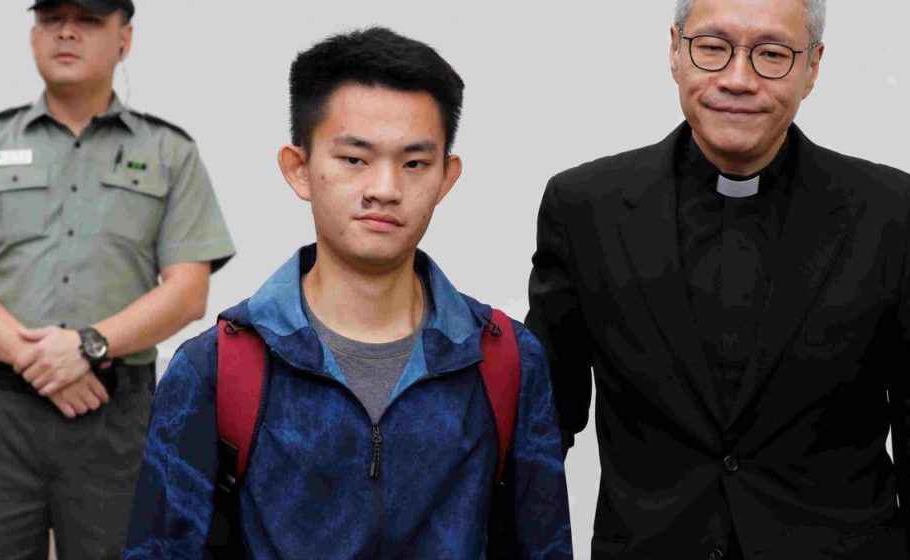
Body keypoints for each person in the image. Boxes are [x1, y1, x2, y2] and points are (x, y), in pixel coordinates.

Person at [122, 27, 572, 559]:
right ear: (299, 169)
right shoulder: (216, 368)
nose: (385, 189)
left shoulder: (504, 360)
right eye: (355, 159)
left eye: (414, 163)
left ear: (446, 178)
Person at [525, 0, 910, 558]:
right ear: (674, 51)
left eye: (772, 54)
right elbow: (542, 424)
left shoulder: (895, 215)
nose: (738, 79)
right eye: (712, 48)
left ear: (812, 66)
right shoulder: (584, 210)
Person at [0, 0, 236, 557]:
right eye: (50, 19)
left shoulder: (169, 152)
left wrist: (88, 346)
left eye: (87, 20)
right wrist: (40, 360)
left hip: (113, 416)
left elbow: (188, 291)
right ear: (33, 36)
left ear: (124, 40)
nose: (65, 33)